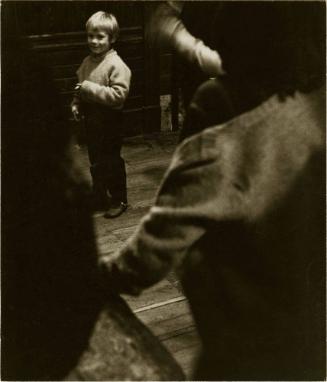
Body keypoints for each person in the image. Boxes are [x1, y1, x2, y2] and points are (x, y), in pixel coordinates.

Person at [101, 2, 326, 380]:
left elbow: (168, 229)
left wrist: (106, 276)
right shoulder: (314, 95)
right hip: (308, 313)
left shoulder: (222, 102)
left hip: (244, 321)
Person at [71, 11, 131, 218]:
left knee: (111, 160)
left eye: (100, 37)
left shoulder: (116, 64)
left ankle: (119, 199)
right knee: (96, 160)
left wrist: (88, 90)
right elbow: (80, 87)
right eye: (90, 36)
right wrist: (76, 103)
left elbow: (118, 96)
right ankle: (99, 196)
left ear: (112, 38)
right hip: (92, 118)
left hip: (110, 119)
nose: (94, 41)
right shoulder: (87, 62)